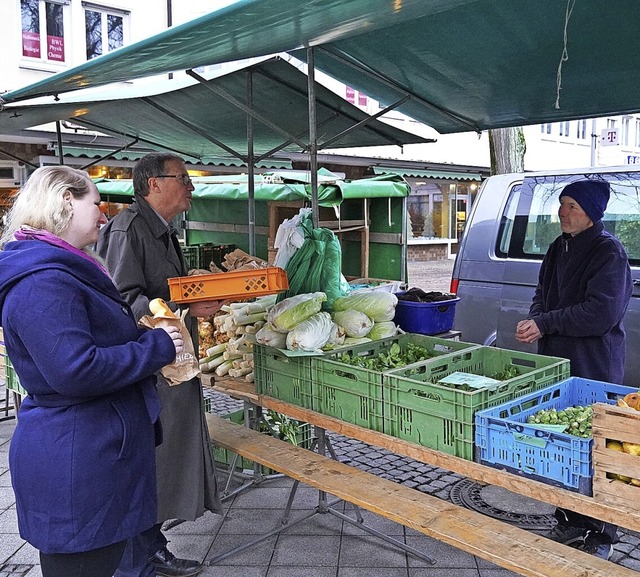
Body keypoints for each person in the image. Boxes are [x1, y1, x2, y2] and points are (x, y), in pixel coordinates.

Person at [0, 166, 184, 577]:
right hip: (78, 465)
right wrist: (157, 347)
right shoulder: (42, 281)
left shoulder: (64, 268)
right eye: (95, 203)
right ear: (66, 201)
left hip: (98, 452)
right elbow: (75, 370)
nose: (103, 215)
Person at [97, 152, 223, 577]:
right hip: (147, 368)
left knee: (161, 459)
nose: (190, 186)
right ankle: (137, 559)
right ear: (154, 184)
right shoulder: (127, 229)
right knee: (148, 461)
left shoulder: (162, 230)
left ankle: (151, 547)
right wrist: (185, 307)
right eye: (183, 179)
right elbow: (122, 304)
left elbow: (159, 293)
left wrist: (190, 302)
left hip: (168, 361)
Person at [516, 178, 632, 561]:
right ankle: (570, 516)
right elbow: (541, 294)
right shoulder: (557, 246)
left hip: (593, 362)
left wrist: (547, 323)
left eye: (573, 207)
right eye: (563, 204)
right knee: (563, 442)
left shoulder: (608, 253)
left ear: (592, 214)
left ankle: (604, 531)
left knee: (597, 444)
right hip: (558, 359)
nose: (563, 213)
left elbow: (600, 314)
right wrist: (536, 319)